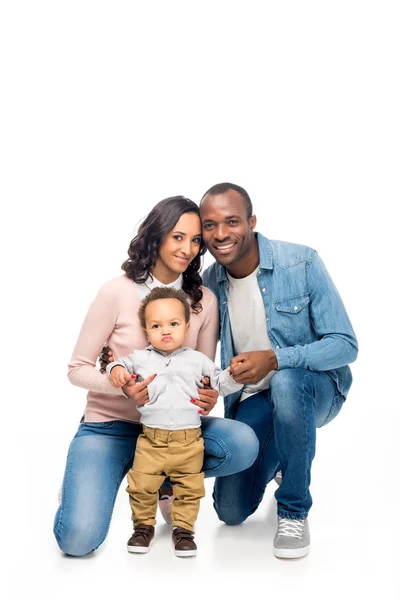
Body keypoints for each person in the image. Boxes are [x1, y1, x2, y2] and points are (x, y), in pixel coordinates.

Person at [53, 195, 259, 557]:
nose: (188, 248)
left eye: (196, 240)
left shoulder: (204, 301)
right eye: (178, 237)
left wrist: (210, 394)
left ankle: (165, 479)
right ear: (157, 235)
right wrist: (120, 388)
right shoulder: (116, 292)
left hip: (175, 432)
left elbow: (200, 371)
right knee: (77, 540)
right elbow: (77, 368)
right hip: (111, 425)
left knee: (242, 443)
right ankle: (88, 477)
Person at [198, 182, 358, 559]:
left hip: (316, 389)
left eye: (232, 221)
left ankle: (293, 509)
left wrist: (275, 359)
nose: (220, 234)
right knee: (230, 512)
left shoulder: (301, 262)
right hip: (256, 398)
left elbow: (346, 345)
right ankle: (285, 457)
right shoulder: (210, 282)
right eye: (209, 225)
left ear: (252, 221)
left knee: (286, 382)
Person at [107, 286, 243, 556]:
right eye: (156, 325)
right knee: (141, 485)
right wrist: (118, 370)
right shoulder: (141, 358)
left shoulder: (197, 360)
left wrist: (234, 375)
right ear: (146, 332)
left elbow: (220, 383)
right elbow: (117, 364)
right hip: (151, 441)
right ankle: (143, 526)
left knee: (190, 488)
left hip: (189, 441)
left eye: (173, 323)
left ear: (187, 327)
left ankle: (183, 530)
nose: (165, 330)